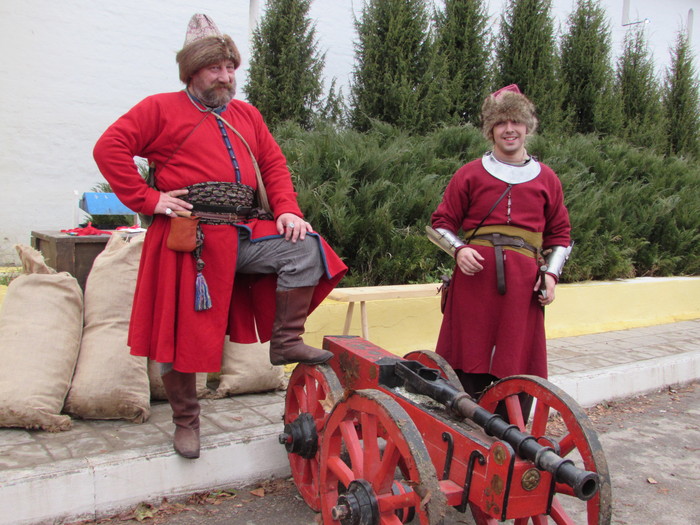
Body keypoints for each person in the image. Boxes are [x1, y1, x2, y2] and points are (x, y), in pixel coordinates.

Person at [93, 14, 347, 459]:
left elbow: (273, 165)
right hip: (188, 239)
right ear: (193, 71)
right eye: (216, 68)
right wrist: (149, 199)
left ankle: (285, 340)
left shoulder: (247, 113)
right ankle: (186, 421)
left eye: (231, 68)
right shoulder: (159, 108)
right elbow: (109, 147)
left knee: (306, 249)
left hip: (244, 232)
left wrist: (287, 210)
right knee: (179, 335)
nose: (226, 77)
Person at [427, 85, 572, 421]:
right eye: (501, 122)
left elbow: (561, 235)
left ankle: (511, 433)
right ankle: (460, 429)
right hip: (474, 285)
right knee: (468, 356)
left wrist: (550, 276)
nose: (509, 129)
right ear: (490, 129)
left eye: (516, 121)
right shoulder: (469, 174)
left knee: (516, 359)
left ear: (527, 126)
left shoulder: (547, 179)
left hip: (522, 289)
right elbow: (440, 224)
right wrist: (459, 250)